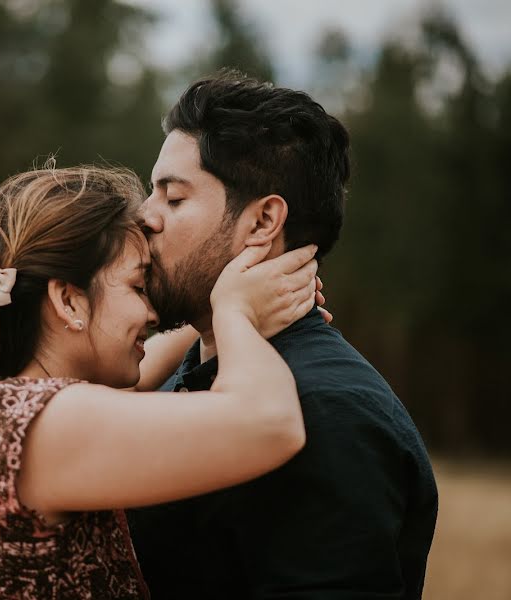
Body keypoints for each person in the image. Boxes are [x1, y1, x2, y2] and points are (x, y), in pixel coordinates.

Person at [0, 164, 324, 599]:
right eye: (137, 286)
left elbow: (137, 380)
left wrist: (224, 300)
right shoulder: (33, 425)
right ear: (69, 300)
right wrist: (236, 313)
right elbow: (270, 423)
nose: (152, 313)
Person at [127, 71, 439, 599]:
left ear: (263, 221)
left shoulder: (332, 413)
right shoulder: (187, 372)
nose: (143, 217)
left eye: (173, 199)